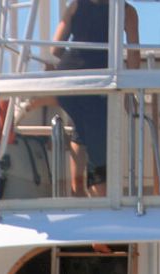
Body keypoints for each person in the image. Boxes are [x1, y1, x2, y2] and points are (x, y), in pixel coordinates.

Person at [49, 0, 140, 196]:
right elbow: (134, 55)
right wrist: (130, 91)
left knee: (81, 130)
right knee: (99, 142)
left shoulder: (75, 5)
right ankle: (101, 195)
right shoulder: (127, 11)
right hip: (100, 81)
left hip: (69, 79)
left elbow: (55, 50)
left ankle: (78, 189)